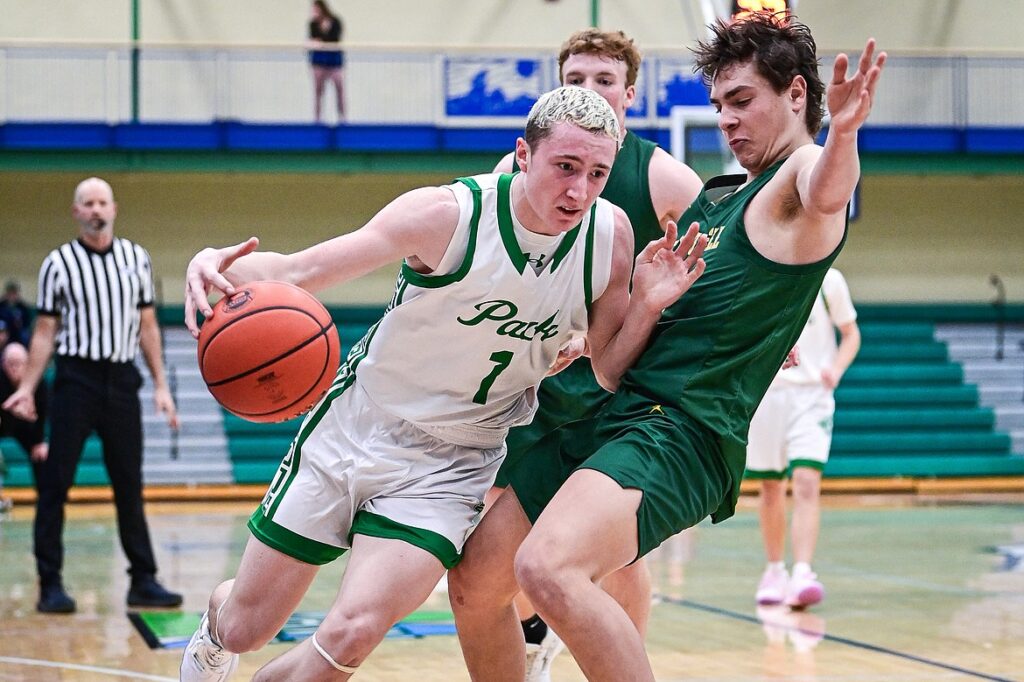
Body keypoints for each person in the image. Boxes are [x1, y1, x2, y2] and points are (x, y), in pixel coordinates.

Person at [177, 85, 707, 681]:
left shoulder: (608, 240)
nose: (579, 190)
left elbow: (608, 368)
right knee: (250, 626)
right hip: (360, 424)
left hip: (454, 461)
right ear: (524, 155)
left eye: (597, 173)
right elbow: (298, 271)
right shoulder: (447, 215)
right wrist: (216, 264)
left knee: (351, 633)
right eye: (565, 166)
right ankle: (216, 634)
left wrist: (647, 306)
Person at [448, 13, 885, 682]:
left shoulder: (793, 182)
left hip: (677, 428)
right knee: (476, 582)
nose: (727, 120)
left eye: (742, 101)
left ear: (796, 95)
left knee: (548, 566)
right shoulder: (723, 198)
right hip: (606, 404)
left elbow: (826, 189)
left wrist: (844, 134)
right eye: (719, 106)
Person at [483, 27, 704, 681]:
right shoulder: (515, 170)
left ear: (630, 94)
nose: (589, 91)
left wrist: (765, 332)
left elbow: (719, 259)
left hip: (621, 387)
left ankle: (621, 661)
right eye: (575, 80)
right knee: (505, 535)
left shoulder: (660, 174)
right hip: (535, 383)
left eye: (604, 81)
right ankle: (529, 635)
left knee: (620, 551)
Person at [2, 177, 182, 615]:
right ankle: (50, 584)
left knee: (128, 484)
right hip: (75, 382)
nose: (96, 209)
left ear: (114, 208)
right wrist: (26, 387)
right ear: (76, 212)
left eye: (103, 202)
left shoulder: (136, 258)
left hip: (121, 381)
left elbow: (148, 327)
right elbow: (44, 332)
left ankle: (143, 580)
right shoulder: (57, 264)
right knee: (55, 482)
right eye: (88, 203)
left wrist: (160, 385)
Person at [748, 267, 860, 609]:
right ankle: (774, 570)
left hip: (812, 396)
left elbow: (851, 334)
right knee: (770, 488)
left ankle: (803, 571)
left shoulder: (831, 280)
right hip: (767, 393)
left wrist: (837, 368)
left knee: (807, 482)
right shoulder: (761, 273)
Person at [309, 0, 345, 123]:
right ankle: (317, 120)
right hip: (319, 62)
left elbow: (335, 38)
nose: (314, 12)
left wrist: (323, 37)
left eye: (316, 9)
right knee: (318, 91)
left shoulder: (335, 21)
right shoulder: (313, 24)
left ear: (322, 9)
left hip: (334, 62)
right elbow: (314, 38)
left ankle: (343, 118)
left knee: (339, 89)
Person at [0, 279, 33, 346]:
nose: (12, 295)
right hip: (3, 329)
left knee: (25, 335)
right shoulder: (1, 305)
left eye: (14, 293)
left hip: (18, 330)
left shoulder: (23, 307)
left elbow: (27, 322)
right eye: (10, 293)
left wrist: (21, 323)